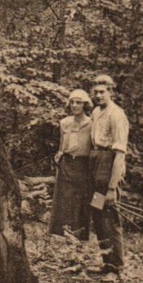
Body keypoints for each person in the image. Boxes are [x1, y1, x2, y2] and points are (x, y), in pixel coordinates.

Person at [89, 74, 129, 283]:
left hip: (109, 165)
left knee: (110, 216)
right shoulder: (96, 112)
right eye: (95, 92)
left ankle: (116, 267)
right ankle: (106, 262)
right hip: (96, 166)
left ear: (111, 92)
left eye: (102, 91)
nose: (98, 95)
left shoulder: (117, 115)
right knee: (98, 215)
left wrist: (112, 187)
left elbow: (120, 154)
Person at [49, 89, 93, 251]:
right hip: (67, 164)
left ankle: (80, 240)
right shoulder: (65, 123)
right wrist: (60, 154)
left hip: (83, 166)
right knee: (65, 200)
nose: (75, 105)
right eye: (72, 102)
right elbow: (62, 145)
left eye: (78, 102)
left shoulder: (91, 123)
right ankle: (65, 238)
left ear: (85, 104)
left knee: (80, 201)